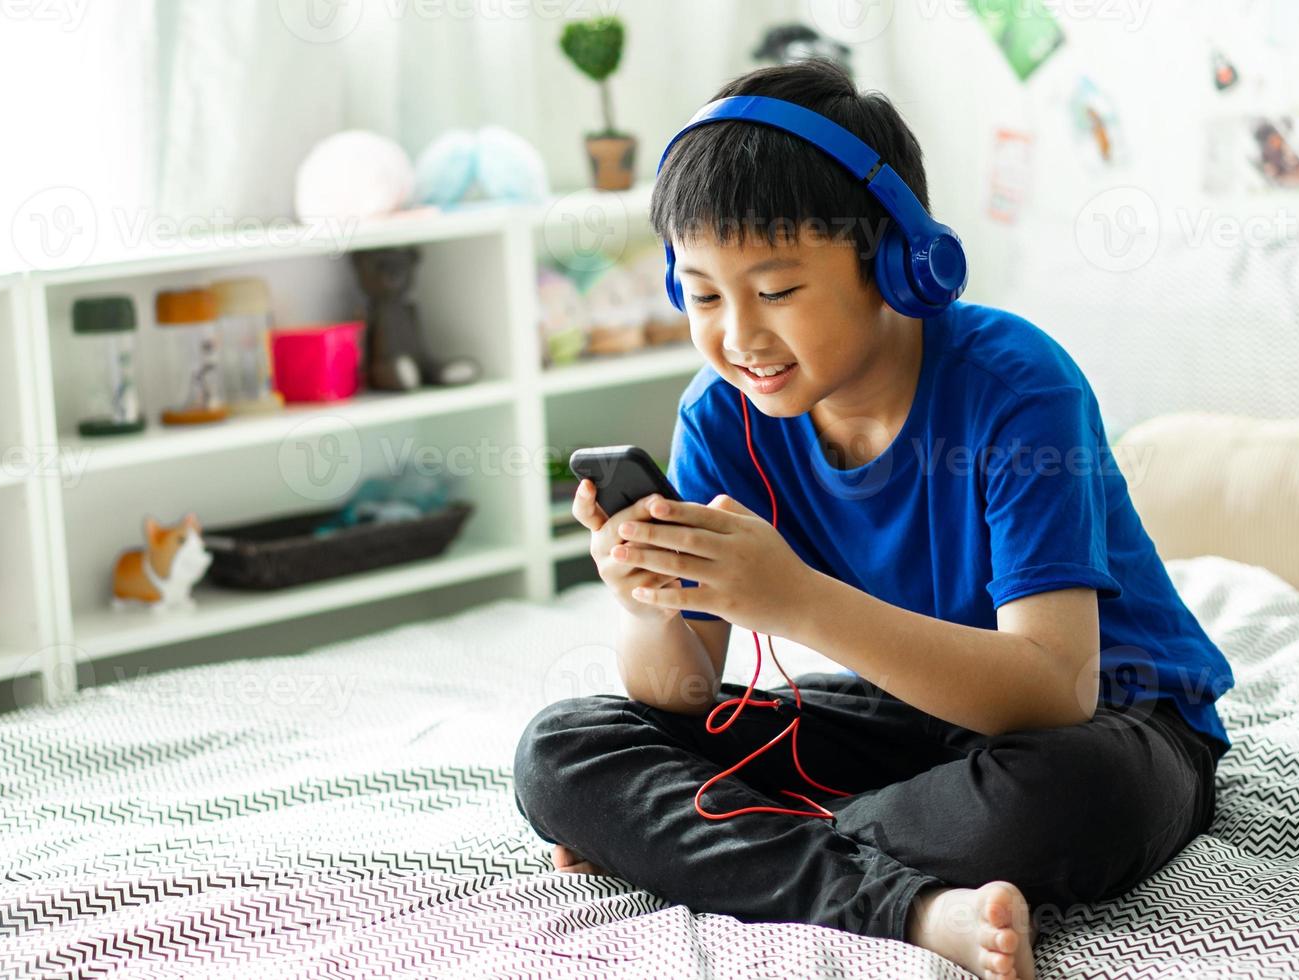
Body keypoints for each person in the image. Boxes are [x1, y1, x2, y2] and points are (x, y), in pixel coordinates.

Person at [513, 58, 1233, 980]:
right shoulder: (722, 413)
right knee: (565, 752)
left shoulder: (1017, 387)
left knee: (1071, 798)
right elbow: (681, 697)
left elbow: (1055, 690)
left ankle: (729, 850)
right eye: (701, 295)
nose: (738, 335)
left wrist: (795, 604)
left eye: (776, 291)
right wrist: (648, 600)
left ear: (897, 261)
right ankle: (914, 906)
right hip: (908, 717)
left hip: (1111, 718)